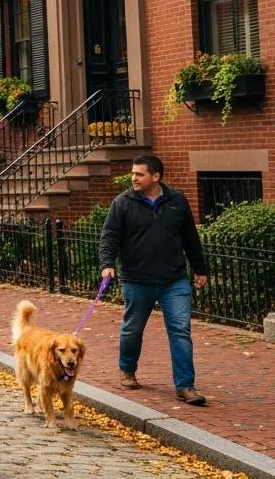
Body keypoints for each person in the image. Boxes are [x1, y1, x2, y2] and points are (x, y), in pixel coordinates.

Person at [99, 154, 209, 405]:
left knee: (181, 331)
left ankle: (185, 386)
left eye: (139, 174)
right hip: (137, 280)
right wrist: (107, 265)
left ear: (156, 177)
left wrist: (200, 269)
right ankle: (127, 369)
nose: (133, 178)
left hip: (174, 280)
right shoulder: (122, 203)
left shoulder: (177, 201)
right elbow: (109, 237)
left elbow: (190, 237)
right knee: (132, 330)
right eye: (133, 173)